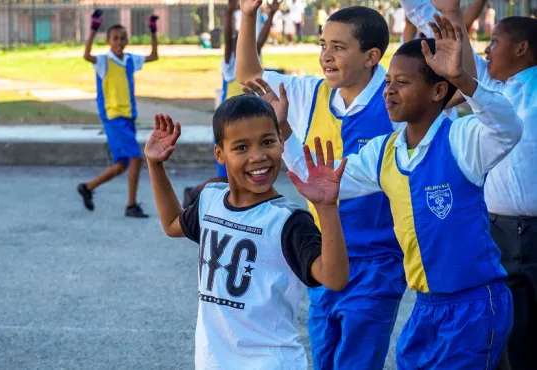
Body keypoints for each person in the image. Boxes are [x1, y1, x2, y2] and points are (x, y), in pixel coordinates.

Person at [335, 17, 521, 369]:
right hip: (426, 306)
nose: (389, 90)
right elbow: (332, 180)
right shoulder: (384, 151)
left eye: (402, 83)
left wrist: (463, 80)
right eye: (387, 82)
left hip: (474, 304)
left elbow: (508, 127)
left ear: (438, 91)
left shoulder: (461, 140)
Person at [236, 3, 406, 369]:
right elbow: (248, 75)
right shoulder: (309, 93)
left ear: (371, 57)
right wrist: (249, 15)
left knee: (356, 362)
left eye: (339, 47)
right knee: (324, 359)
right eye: (322, 45)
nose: (326, 56)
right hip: (324, 254)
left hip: (376, 261)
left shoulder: (395, 103)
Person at [144, 95, 350, 369]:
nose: (258, 156)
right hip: (213, 361)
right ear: (220, 154)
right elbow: (172, 224)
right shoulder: (210, 201)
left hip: (272, 362)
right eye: (241, 147)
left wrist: (326, 208)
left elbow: (335, 279)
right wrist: (155, 165)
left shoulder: (288, 220)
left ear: (280, 140)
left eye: (267, 142)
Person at [400, 1, 537, 368]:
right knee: (507, 337)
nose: (487, 50)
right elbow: (433, 24)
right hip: (498, 232)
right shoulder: (487, 85)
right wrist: (454, 15)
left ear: (521, 48)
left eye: (494, 42)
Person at [182, 0, 279, 208]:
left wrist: (271, 14)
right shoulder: (229, 64)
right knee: (229, 179)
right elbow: (228, 39)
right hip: (229, 127)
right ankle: (195, 192)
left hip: (247, 126)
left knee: (241, 177)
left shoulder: (254, 66)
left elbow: (259, 40)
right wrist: (229, 12)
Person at [77, 10, 159, 218]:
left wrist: (153, 31)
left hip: (128, 117)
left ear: (127, 40)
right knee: (136, 158)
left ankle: (87, 188)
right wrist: (93, 28)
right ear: (108, 40)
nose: (119, 42)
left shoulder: (130, 60)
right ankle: (131, 205)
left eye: (123, 38)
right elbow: (87, 55)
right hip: (114, 118)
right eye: (115, 38)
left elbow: (154, 56)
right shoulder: (104, 61)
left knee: (121, 165)